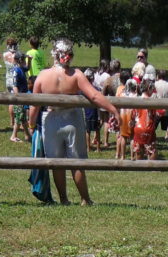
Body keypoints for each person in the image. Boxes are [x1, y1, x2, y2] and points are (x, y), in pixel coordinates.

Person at [29, 39, 119, 206]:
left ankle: (63, 199)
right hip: (72, 119)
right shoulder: (76, 75)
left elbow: (34, 105)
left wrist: (31, 124)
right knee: (77, 162)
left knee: (56, 163)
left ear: (54, 54)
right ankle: (85, 198)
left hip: (50, 119)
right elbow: (94, 96)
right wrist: (113, 109)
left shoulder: (42, 76)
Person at [131, 77, 159, 161]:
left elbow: (132, 115)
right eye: (152, 89)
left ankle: (139, 167)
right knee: (152, 150)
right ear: (148, 89)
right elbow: (154, 115)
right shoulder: (151, 102)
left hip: (138, 128)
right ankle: (152, 168)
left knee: (139, 149)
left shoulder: (136, 100)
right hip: (148, 128)